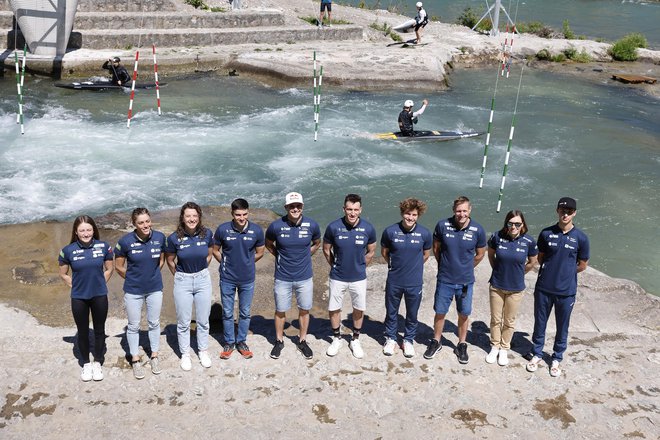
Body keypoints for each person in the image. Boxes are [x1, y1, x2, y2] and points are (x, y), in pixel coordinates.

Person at [526, 197, 589, 377]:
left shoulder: (581, 238)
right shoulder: (546, 233)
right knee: (540, 323)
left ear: (574, 213)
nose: (565, 214)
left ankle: (556, 357)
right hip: (544, 288)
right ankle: (537, 353)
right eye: (563, 210)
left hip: (566, 292)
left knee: (563, 326)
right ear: (557, 211)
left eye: (569, 211)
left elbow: (582, 264)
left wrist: (566, 274)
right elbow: (541, 257)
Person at [424, 196, 487, 364]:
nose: (461, 214)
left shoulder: (478, 230)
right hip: (445, 278)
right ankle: (436, 341)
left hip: (465, 281)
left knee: (464, 313)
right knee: (440, 311)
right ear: (454, 211)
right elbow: (436, 248)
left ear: (470, 210)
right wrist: (445, 264)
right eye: (458, 211)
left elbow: (480, 253)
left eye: (464, 211)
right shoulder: (442, 225)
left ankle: (461, 343)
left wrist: (466, 266)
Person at [265, 192, 321, 360]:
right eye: (291, 206)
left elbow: (317, 243)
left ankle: (302, 340)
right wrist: (279, 256)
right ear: (286, 208)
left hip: (304, 277)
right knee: (280, 310)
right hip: (283, 276)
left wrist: (307, 254)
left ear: (302, 207)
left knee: (304, 310)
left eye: (298, 206)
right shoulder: (276, 226)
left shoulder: (312, 225)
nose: (295, 209)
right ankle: (279, 340)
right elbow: (269, 244)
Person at [58, 215, 114, 382]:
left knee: (99, 330)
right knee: (82, 332)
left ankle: (97, 361)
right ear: (76, 232)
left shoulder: (104, 247)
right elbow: (63, 274)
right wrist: (75, 285)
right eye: (82, 230)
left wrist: (99, 284)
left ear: (93, 230)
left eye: (89, 229)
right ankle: (86, 364)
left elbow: (109, 269)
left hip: (99, 295)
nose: (86, 233)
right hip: (79, 297)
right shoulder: (67, 250)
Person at [323, 194, 377, 359]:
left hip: (359, 278)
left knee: (358, 308)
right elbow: (326, 249)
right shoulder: (333, 227)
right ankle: (337, 338)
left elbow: (371, 251)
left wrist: (361, 266)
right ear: (344, 209)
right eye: (349, 209)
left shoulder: (368, 228)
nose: (352, 213)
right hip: (337, 277)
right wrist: (334, 265)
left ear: (360, 210)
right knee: (334, 308)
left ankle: (355, 339)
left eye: (355, 210)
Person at [114, 208, 166, 379]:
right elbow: (119, 266)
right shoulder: (125, 242)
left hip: (154, 289)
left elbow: (161, 260)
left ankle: (155, 355)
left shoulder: (159, 237)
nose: (145, 225)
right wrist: (132, 279)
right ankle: (135, 358)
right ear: (134, 224)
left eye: (147, 221)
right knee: (134, 325)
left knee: (154, 322)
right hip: (133, 290)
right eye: (141, 223)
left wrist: (151, 275)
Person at [213, 198, 265, 360]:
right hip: (227, 278)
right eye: (237, 215)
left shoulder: (256, 230)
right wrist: (226, 263)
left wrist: (247, 263)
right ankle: (229, 342)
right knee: (228, 312)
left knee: (244, 312)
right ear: (232, 214)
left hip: (247, 278)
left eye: (244, 214)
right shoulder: (223, 229)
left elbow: (260, 251)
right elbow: (215, 250)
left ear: (248, 213)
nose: (241, 218)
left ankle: (241, 341)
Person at [164, 202, 214, 371]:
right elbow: (170, 260)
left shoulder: (207, 234)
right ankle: (185, 354)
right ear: (182, 218)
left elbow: (209, 254)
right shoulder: (173, 238)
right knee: (184, 321)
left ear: (199, 217)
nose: (192, 219)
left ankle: (203, 350)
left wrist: (201, 270)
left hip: (202, 279)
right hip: (183, 280)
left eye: (194, 216)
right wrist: (179, 275)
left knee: (203, 320)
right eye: (188, 216)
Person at [380, 198, 433, 358]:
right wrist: (396, 265)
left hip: (414, 282)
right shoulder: (390, 231)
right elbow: (385, 252)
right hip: (394, 280)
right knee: (391, 311)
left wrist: (413, 266)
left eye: (414, 215)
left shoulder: (424, 233)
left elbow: (426, 254)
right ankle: (390, 338)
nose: (410, 218)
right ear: (402, 213)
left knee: (412, 313)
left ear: (419, 215)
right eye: (408, 214)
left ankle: (408, 340)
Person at [485, 210, 538, 366]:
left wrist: (520, 272)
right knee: (495, 319)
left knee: (509, 321)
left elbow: (532, 261)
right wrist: (497, 270)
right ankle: (494, 346)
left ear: (522, 225)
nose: (513, 226)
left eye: (517, 224)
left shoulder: (529, 241)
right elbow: (490, 255)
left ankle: (504, 348)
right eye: (510, 223)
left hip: (516, 288)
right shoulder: (497, 237)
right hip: (497, 286)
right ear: (506, 223)